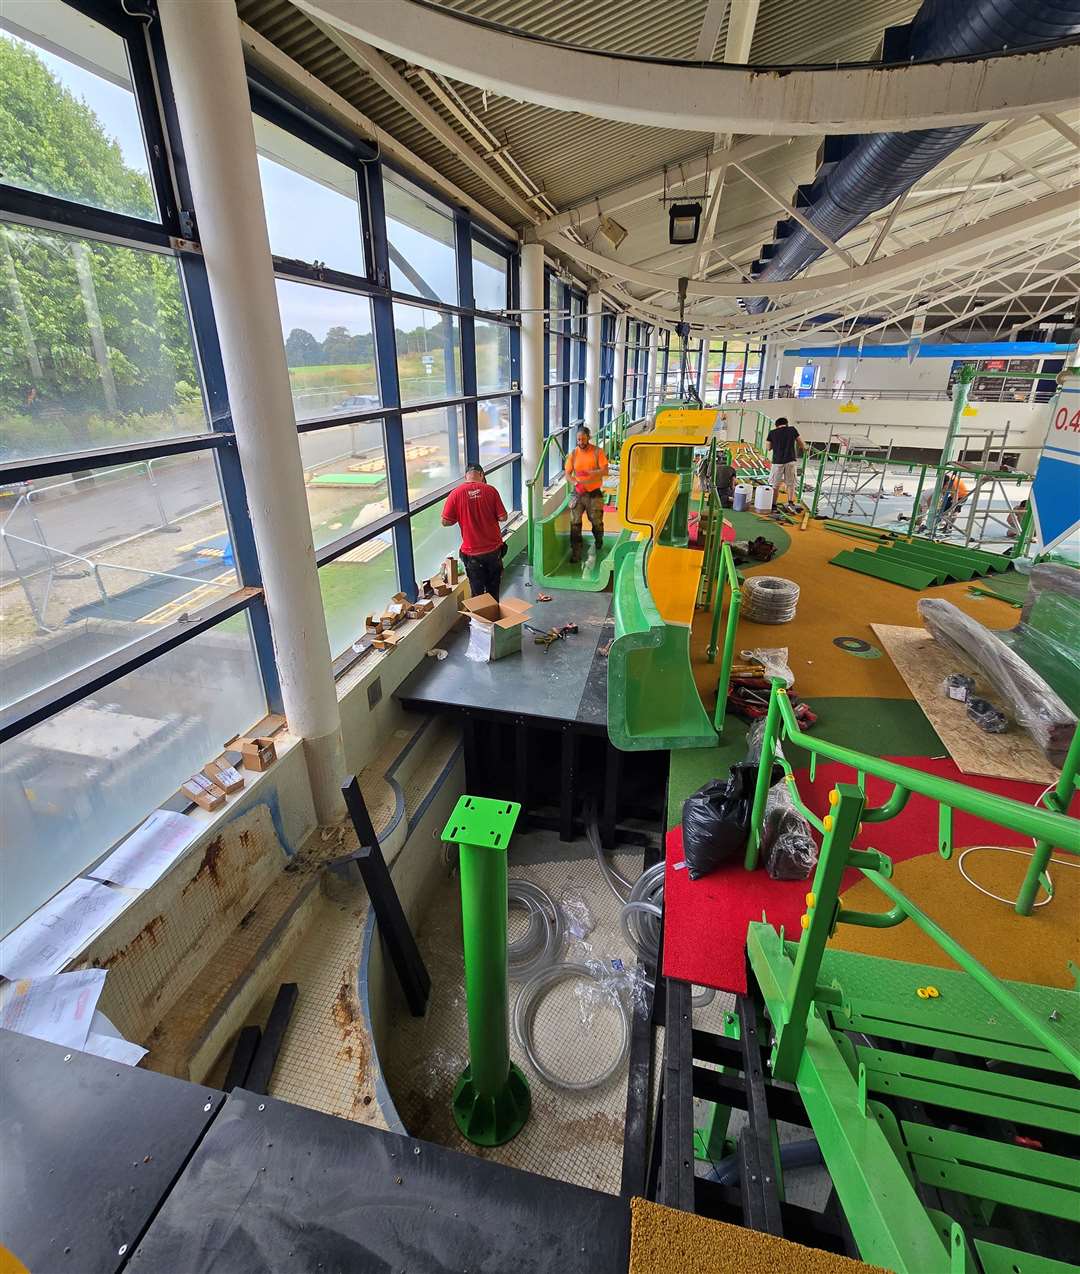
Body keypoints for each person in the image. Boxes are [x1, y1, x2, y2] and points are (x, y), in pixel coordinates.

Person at [441, 463, 507, 601]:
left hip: (471, 553)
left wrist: (462, 515)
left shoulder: (455, 494)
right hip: (493, 550)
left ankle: (478, 620)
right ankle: (492, 617)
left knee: (476, 593)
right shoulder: (491, 490)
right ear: (482, 475)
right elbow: (503, 517)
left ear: (466, 476)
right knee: (493, 589)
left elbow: (445, 522)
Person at [564, 426, 609, 563]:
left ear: (588, 438)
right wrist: (575, 483)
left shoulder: (597, 452)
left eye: (583, 439)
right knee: (575, 523)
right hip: (578, 493)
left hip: (594, 493)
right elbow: (567, 474)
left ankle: (599, 538)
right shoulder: (573, 454)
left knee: (596, 521)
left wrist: (592, 473)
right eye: (578, 439)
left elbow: (605, 470)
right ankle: (576, 552)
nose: (581, 442)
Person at [765, 416, 803, 506]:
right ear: (786, 424)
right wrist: (805, 448)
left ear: (776, 426)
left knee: (775, 484)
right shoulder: (792, 430)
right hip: (790, 461)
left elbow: (768, 448)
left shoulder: (772, 433)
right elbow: (801, 442)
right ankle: (790, 503)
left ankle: (773, 504)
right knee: (791, 484)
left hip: (777, 462)